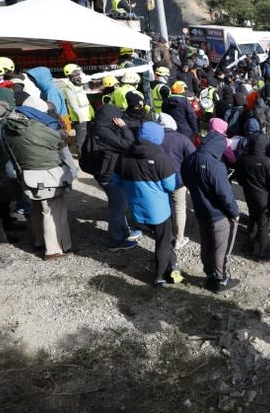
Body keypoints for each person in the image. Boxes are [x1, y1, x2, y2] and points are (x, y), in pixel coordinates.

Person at [2, 97, 74, 260]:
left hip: (27, 174)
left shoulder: (10, 126)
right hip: (48, 174)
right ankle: (54, 249)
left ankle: (39, 242)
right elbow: (59, 140)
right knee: (53, 211)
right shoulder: (35, 127)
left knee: (36, 209)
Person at [113, 121, 182, 287]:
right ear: (158, 137)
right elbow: (171, 186)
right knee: (163, 242)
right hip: (159, 211)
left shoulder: (124, 156)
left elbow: (116, 181)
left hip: (136, 209)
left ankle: (172, 263)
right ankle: (159, 276)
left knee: (161, 240)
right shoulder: (161, 159)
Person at [181, 132, 241, 292]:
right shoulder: (215, 165)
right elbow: (225, 194)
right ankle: (221, 281)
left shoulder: (189, 159)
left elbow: (186, 181)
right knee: (220, 249)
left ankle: (209, 275)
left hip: (201, 210)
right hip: (218, 215)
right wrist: (234, 212)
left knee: (206, 244)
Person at [88, 103, 142, 250]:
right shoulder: (104, 132)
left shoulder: (97, 126)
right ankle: (115, 240)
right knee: (117, 206)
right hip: (108, 175)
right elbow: (129, 144)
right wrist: (124, 128)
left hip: (105, 172)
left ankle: (123, 232)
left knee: (119, 203)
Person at [236, 132, 270, 260]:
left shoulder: (242, 159)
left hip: (249, 196)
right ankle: (263, 253)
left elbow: (239, 180)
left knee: (253, 219)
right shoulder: (268, 162)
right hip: (265, 199)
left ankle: (248, 247)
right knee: (264, 225)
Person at [158, 113, 196, 249]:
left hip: (158, 178)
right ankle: (179, 239)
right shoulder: (182, 139)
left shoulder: (154, 138)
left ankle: (164, 233)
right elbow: (193, 157)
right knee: (179, 207)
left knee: (163, 205)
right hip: (177, 179)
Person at [62, 64, 94, 153]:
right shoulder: (69, 86)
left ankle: (89, 156)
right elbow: (73, 104)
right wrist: (80, 117)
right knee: (81, 140)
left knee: (88, 137)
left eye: (78, 72)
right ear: (70, 74)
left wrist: (91, 113)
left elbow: (85, 101)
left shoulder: (79, 84)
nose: (78, 74)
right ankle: (82, 158)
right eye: (76, 73)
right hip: (80, 118)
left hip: (88, 116)